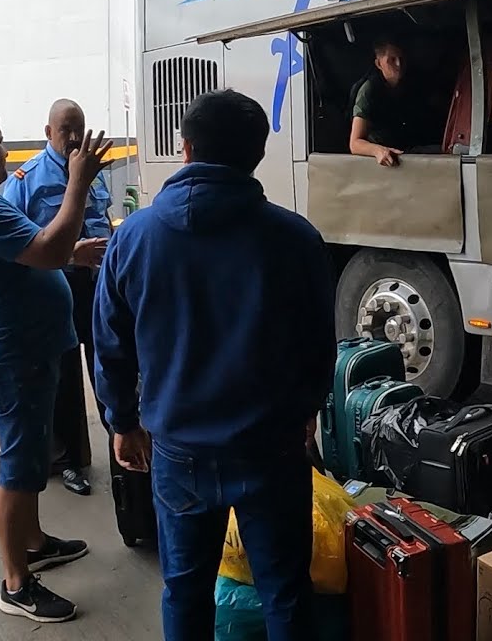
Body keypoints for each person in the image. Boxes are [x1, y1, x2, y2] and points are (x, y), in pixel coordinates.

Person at [94, 90, 335, 641]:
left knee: (185, 589)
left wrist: (122, 421)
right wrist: (306, 409)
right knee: (286, 592)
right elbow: (318, 341)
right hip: (270, 446)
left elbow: (110, 342)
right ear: (257, 154)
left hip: (178, 448)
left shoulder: (134, 237)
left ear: (185, 149)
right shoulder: (295, 238)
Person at [0, 107, 112, 623]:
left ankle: (34, 542)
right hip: (13, 356)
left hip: (27, 349)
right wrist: (77, 183)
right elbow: (48, 244)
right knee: (17, 469)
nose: (6, 152)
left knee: (32, 460)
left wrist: (67, 255)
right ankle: (16, 583)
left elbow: (39, 254)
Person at [1, 98, 110, 496]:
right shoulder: (25, 179)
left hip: (96, 288)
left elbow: (102, 221)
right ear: (48, 132)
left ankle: (124, 446)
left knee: (109, 367)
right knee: (61, 379)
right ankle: (70, 462)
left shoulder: (92, 170)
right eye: (65, 129)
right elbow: (16, 245)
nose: (74, 137)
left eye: (78, 127)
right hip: (53, 288)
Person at [348, 37, 437, 167]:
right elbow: (355, 143)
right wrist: (378, 151)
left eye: (402, 59)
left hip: (408, 151)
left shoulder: (411, 83)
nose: (399, 65)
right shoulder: (369, 90)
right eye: (392, 60)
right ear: (379, 64)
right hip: (387, 159)